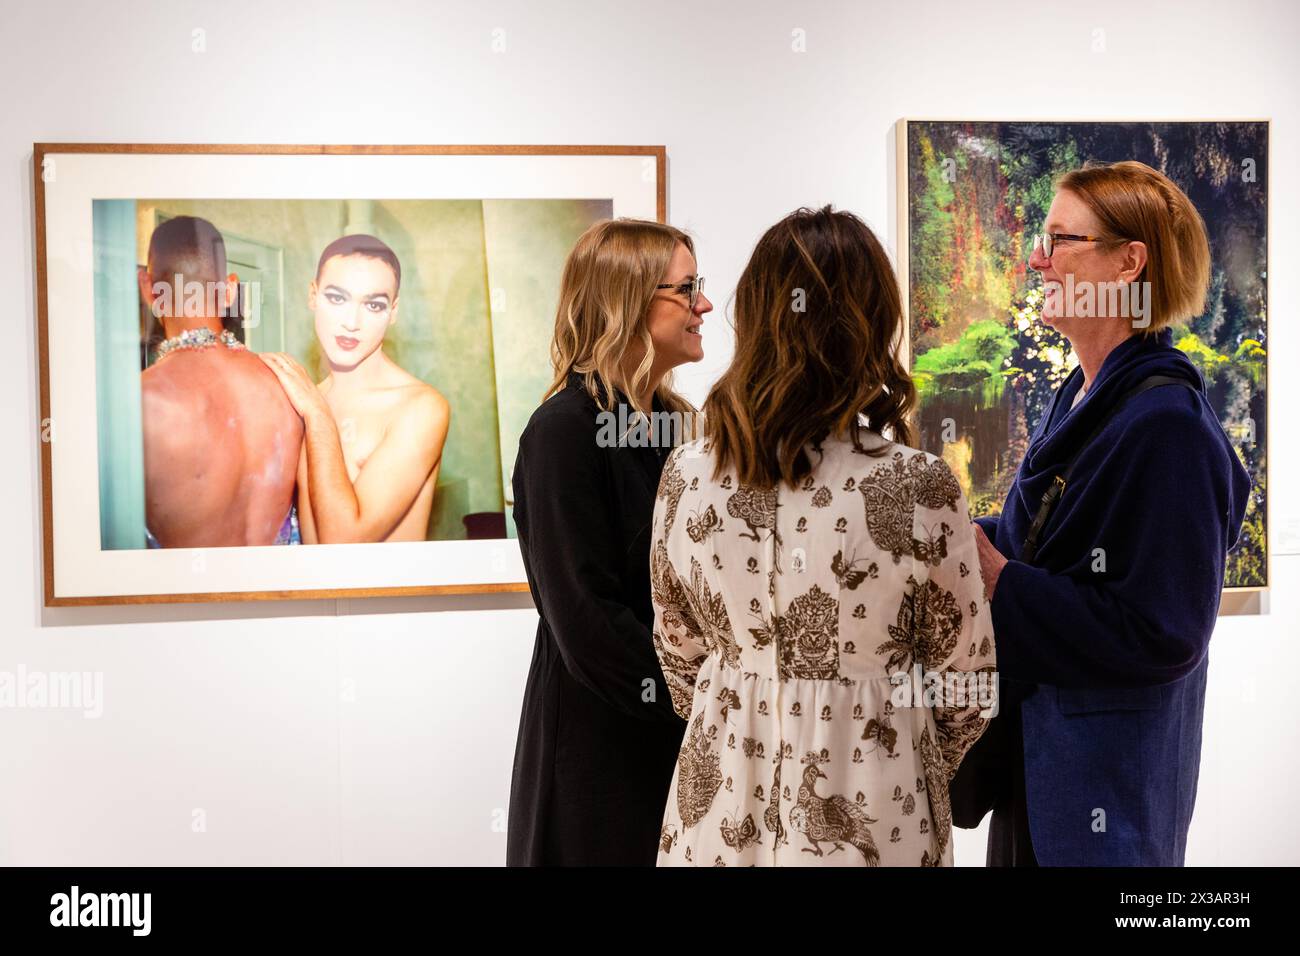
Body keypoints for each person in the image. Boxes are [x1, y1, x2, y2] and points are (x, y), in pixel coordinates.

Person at [652, 206, 995, 867]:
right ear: (873, 325)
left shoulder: (687, 471)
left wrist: (744, 701)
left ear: (752, 319)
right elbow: (967, 684)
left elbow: (678, 655)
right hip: (879, 799)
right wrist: (895, 748)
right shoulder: (919, 483)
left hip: (721, 804)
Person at [953, 161, 1250, 866]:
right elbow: (1053, 544)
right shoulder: (1081, 397)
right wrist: (964, 537)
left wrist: (1002, 582)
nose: (1036, 257)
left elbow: (1164, 632)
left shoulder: (1167, 425)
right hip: (1043, 767)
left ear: (1128, 263)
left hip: (1104, 797)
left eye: (1059, 239)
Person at [507, 218, 713, 866]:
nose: (704, 304)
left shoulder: (682, 428)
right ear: (628, 302)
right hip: (601, 762)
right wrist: (703, 702)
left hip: (681, 746)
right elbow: (588, 625)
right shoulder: (563, 432)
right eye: (686, 289)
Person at [259, 235, 450, 543]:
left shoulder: (421, 407)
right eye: (337, 298)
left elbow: (344, 542)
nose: (351, 322)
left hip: (388, 592)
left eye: (373, 305)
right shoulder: (302, 399)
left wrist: (318, 414)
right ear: (313, 295)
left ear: (394, 311)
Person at [137, 216, 303, 548]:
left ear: (148, 288)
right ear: (229, 290)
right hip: (280, 596)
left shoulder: (138, 400)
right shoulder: (289, 386)